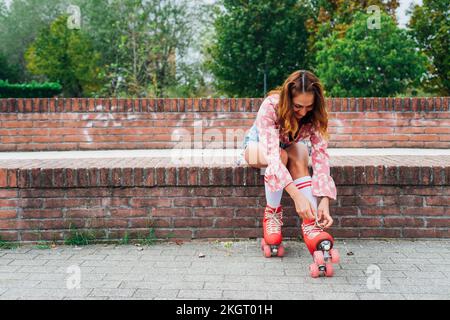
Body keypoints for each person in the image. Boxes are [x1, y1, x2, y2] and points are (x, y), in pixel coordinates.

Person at [241, 70, 337, 258]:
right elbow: (273, 158)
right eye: (298, 106)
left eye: (308, 107)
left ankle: (310, 224)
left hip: (287, 145)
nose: (303, 112)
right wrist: (296, 197)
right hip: (258, 145)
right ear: (288, 99)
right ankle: (272, 214)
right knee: (281, 155)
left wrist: (324, 199)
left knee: (301, 154)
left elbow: (321, 156)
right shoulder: (270, 106)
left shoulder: (315, 114)